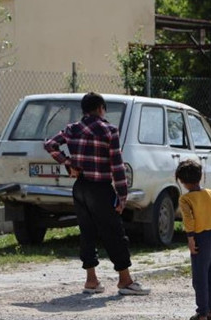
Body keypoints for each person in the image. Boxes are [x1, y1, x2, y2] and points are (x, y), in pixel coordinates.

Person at [44, 92, 150, 296]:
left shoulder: (71, 129)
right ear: (101, 108)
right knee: (114, 233)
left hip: (80, 187)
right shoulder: (109, 130)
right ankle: (125, 280)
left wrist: (68, 162)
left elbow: (50, 144)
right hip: (100, 188)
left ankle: (91, 280)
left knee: (87, 232)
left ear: (84, 109)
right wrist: (122, 194)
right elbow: (116, 165)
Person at [175, 160, 211, 320]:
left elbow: (189, 220)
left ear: (182, 181)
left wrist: (190, 239)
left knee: (200, 278)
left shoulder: (185, 199)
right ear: (201, 176)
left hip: (200, 239)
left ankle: (202, 313)